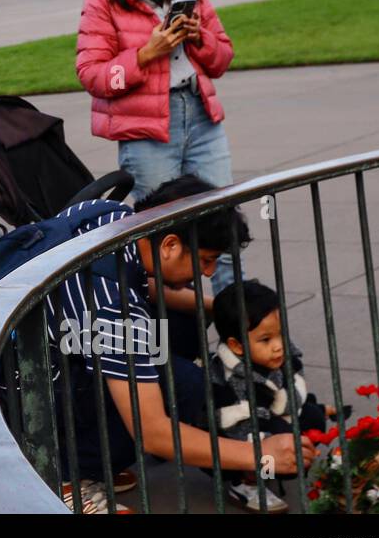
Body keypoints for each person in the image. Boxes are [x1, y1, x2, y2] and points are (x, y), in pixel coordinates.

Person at [49, 177, 314, 513]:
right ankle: (64, 476)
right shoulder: (114, 308)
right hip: (29, 397)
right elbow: (153, 431)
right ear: (171, 245)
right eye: (206, 259)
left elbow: (140, 281)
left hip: (43, 353)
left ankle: (87, 458)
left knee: (183, 338)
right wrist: (260, 452)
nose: (208, 271)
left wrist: (220, 309)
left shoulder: (112, 216)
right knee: (182, 388)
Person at [75, 0, 237, 295]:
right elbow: (92, 74)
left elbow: (222, 59)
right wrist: (146, 54)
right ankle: (179, 344)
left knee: (222, 231)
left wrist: (199, 38)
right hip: (146, 133)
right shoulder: (103, 0)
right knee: (161, 244)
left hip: (200, 118)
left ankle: (240, 335)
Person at [208, 279, 332, 512]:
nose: (278, 346)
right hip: (238, 433)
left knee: (313, 418)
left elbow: (290, 388)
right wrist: (277, 446)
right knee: (285, 439)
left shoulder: (277, 355)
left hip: (270, 414)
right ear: (237, 346)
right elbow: (240, 430)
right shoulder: (233, 381)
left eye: (280, 334)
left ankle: (272, 460)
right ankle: (245, 482)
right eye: (266, 340)